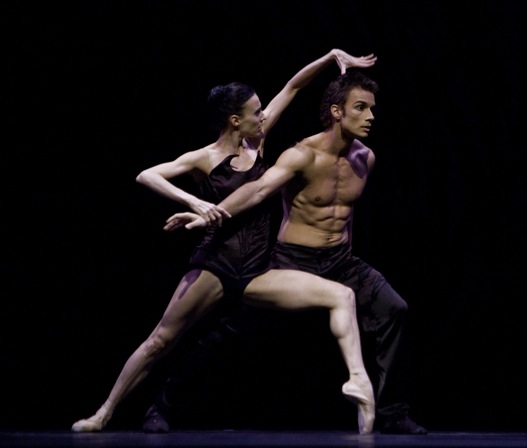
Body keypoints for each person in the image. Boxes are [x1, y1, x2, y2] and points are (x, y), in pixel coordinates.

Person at [70, 49, 379, 435]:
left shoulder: (258, 143)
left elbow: (293, 87)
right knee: (161, 341)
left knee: (339, 296)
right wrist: (195, 202)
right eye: (256, 112)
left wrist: (330, 57)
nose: (263, 116)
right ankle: (104, 413)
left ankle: (359, 384)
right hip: (216, 265)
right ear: (236, 120)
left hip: (257, 271)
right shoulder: (205, 157)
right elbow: (147, 175)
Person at [163, 71, 428, 435]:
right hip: (292, 260)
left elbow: (345, 217)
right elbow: (258, 190)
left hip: (341, 261)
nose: (370, 116)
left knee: (394, 309)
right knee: (235, 333)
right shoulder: (302, 154)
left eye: (372, 109)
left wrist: (346, 259)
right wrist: (209, 214)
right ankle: (167, 401)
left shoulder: (365, 158)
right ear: (336, 111)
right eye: (361, 108)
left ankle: (392, 412)